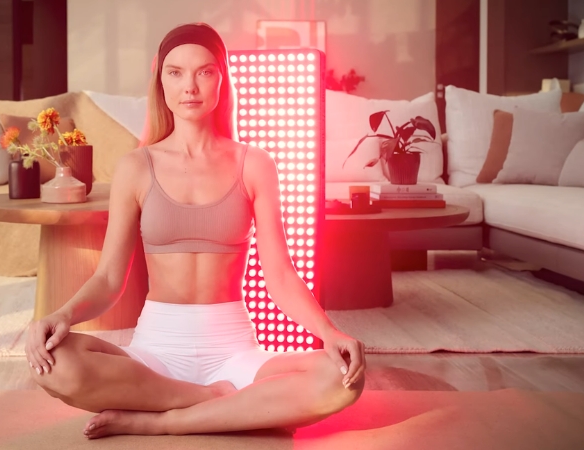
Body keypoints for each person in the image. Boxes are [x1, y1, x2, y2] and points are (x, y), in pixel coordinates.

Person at [25, 22, 365, 439]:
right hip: (155, 356)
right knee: (56, 362)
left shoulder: (254, 164)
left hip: (236, 353)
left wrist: (330, 334)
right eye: (176, 72)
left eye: (204, 71)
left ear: (222, 78)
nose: (190, 86)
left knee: (341, 376)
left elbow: (279, 275)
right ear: (160, 81)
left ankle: (165, 420)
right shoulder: (136, 167)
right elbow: (110, 279)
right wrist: (61, 315)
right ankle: (222, 403)